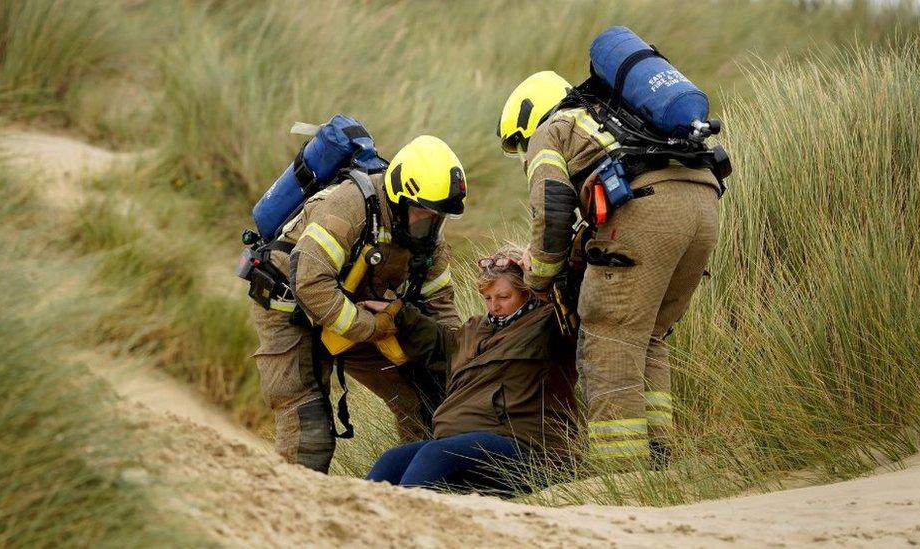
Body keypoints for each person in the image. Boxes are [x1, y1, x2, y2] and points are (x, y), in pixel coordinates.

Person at [498, 69, 723, 470]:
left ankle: (621, 472)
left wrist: (538, 276)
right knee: (648, 334)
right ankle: (660, 457)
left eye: (519, 142)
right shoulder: (611, 120)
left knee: (610, 338)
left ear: (526, 121)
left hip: (650, 207)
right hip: (703, 203)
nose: (523, 151)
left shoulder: (550, 129)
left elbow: (552, 208)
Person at [250, 135, 466, 473]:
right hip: (289, 311)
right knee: (309, 430)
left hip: (353, 313)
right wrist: (370, 326)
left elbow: (441, 305)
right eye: (422, 213)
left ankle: (414, 495)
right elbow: (310, 283)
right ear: (400, 196)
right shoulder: (349, 207)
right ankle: (291, 513)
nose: (429, 223)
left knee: (425, 404)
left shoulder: (429, 236)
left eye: (437, 216)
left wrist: (460, 360)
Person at [364, 245, 578, 494]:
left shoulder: (550, 323)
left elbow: (577, 296)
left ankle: (408, 525)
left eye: (503, 297)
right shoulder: (474, 329)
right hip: (462, 443)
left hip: (528, 447)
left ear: (527, 292)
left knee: (436, 453)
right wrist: (396, 314)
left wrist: (547, 264)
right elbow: (439, 343)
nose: (494, 306)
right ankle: (364, 527)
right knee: (391, 460)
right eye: (488, 298)